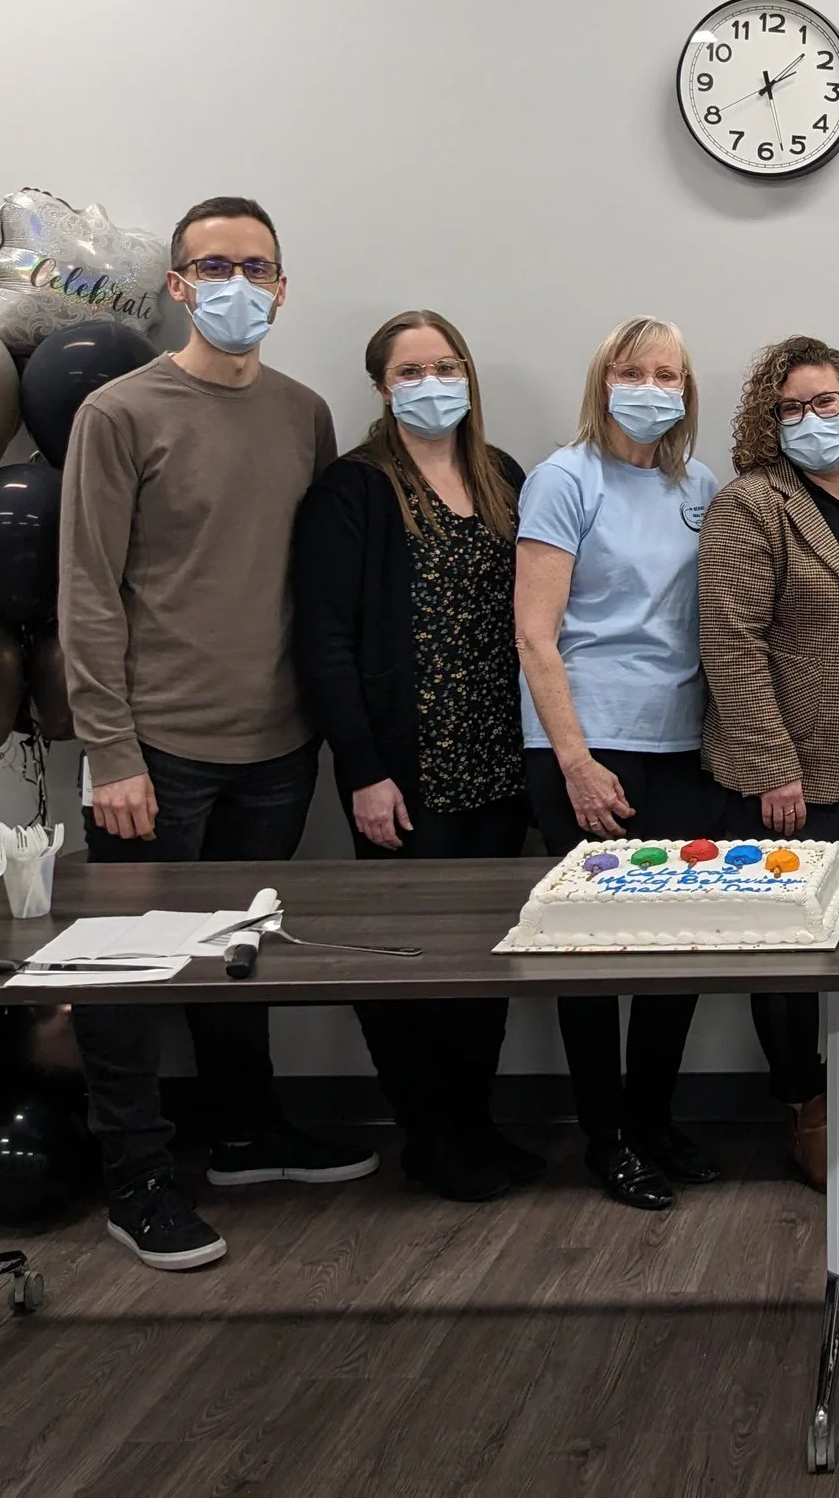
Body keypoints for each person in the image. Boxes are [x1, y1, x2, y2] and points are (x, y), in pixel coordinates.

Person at [58, 195, 373, 1272]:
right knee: (127, 972)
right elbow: (87, 593)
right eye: (214, 264)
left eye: (257, 266)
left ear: (283, 286)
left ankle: (247, 1135)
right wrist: (111, 752)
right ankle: (136, 1177)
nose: (237, 282)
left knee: (238, 953)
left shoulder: (304, 412)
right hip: (160, 749)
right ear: (179, 284)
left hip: (278, 744)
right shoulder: (119, 412)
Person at [293, 310, 535, 1204]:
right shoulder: (354, 489)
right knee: (408, 964)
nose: (433, 382)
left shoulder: (501, 476)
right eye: (412, 369)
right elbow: (325, 641)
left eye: (447, 364)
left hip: (499, 764)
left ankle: (475, 1122)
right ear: (383, 387)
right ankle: (428, 1135)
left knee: (484, 959)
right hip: (407, 769)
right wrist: (361, 769)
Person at [514, 316, 725, 1212]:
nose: (650, 386)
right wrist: (575, 759)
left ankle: (654, 1119)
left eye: (666, 373)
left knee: (678, 951)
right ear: (604, 382)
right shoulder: (564, 479)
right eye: (632, 371)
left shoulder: (699, 484)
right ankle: (606, 1136)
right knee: (594, 954)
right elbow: (535, 631)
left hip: (682, 743)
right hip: (587, 744)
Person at [701, 336, 839, 1197]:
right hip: (802, 772)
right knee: (801, 958)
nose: (812, 419)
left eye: (827, 402)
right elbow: (731, 640)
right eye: (792, 407)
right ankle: (809, 1114)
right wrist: (769, 765)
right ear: (769, 419)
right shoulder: (750, 506)